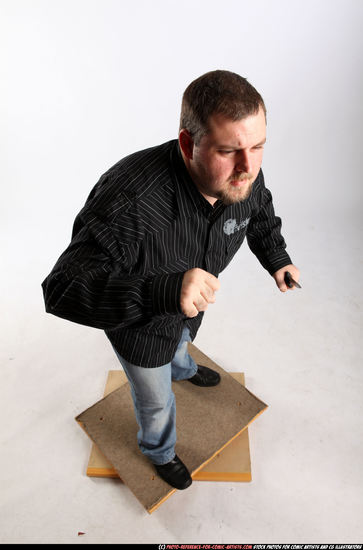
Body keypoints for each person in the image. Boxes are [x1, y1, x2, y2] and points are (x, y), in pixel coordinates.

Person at [41, 70, 300, 491]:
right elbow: (62, 288)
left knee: (181, 342)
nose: (248, 166)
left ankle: (181, 366)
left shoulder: (243, 178)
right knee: (156, 404)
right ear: (187, 144)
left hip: (188, 317)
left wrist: (277, 258)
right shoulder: (130, 198)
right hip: (140, 334)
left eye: (258, 147)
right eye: (230, 150)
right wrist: (164, 289)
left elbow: (261, 210)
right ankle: (159, 451)